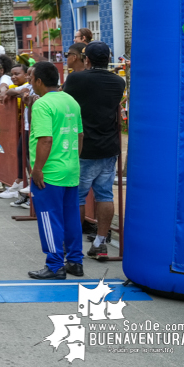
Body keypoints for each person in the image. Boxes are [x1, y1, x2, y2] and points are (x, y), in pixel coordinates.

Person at [63, 41, 126, 260]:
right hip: (108, 146)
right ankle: (100, 242)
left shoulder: (75, 79)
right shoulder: (119, 82)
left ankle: (71, 244)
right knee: (105, 194)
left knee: (78, 197)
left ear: (86, 59)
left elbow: (65, 103)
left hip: (82, 146)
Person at [25, 61, 84, 279]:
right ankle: (75, 262)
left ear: (39, 81)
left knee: (49, 218)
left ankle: (55, 264)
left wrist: (37, 169)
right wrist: (72, 160)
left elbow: (45, 140)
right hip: (70, 169)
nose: (31, 83)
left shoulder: (42, 105)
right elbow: (80, 135)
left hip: (49, 172)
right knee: (71, 217)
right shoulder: (71, 101)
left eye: (31, 79)